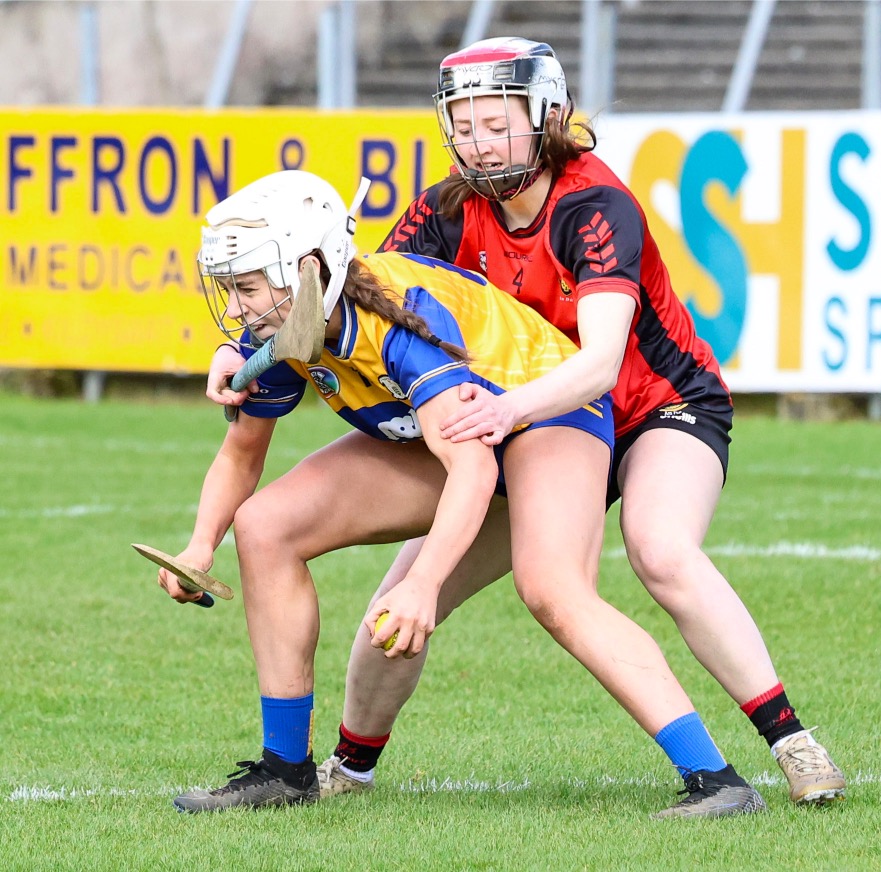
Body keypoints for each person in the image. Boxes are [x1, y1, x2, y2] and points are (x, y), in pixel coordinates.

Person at [208, 38, 844, 808]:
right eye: (462, 125)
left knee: (655, 550)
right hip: (520, 419)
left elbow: (600, 363)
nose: (477, 142)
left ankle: (789, 741)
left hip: (649, 405)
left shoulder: (593, 205)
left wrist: (503, 412)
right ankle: (345, 770)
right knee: (398, 604)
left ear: (546, 116)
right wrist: (245, 347)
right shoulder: (445, 207)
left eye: (495, 123)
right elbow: (361, 295)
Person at [165, 168, 764, 817]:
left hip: (545, 417)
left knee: (554, 590)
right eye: (229, 288)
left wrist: (423, 583)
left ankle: (717, 779)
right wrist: (199, 547)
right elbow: (241, 453)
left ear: (307, 270)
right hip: (457, 435)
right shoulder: (286, 328)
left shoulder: (401, 321)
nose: (235, 309)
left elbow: (473, 469)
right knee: (264, 526)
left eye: (247, 288)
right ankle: (286, 770)